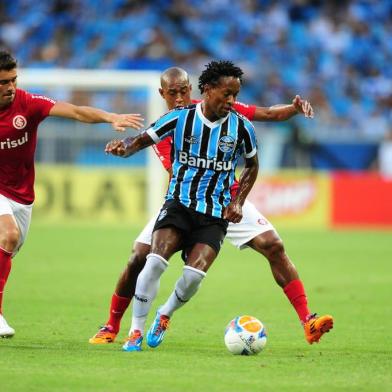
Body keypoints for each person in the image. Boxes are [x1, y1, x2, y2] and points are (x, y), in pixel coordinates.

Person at [89, 66, 333, 347]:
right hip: (182, 200)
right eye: (173, 93)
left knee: (273, 245)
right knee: (139, 257)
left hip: (225, 201)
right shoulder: (171, 123)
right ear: (162, 94)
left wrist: (293, 109)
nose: (180, 97)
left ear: (194, 90)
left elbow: (265, 114)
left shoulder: (222, 107)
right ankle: (112, 326)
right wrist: (124, 148)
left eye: (184, 91)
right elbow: (147, 150)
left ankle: (308, 320)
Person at [105, 60, 260, 351]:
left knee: (192, 276)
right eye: (226, 94)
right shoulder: (179, 118)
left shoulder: (242, 127)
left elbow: (252, 166)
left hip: (214, 214)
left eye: (235, 95)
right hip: (179, 204)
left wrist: (238, 202)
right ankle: (135, 330)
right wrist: (122, 149)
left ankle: (164, 314)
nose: (231, 101)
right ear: (208, 90)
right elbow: (139, 141)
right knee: (153, 262)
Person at [0, 50, 144, 338]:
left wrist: (109, 116)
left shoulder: (27, 104)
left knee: (9, 244)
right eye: (3, 82)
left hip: (22, 197)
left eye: (13, 80)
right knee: (8, 234)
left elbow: (76, 111)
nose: (10, 87)